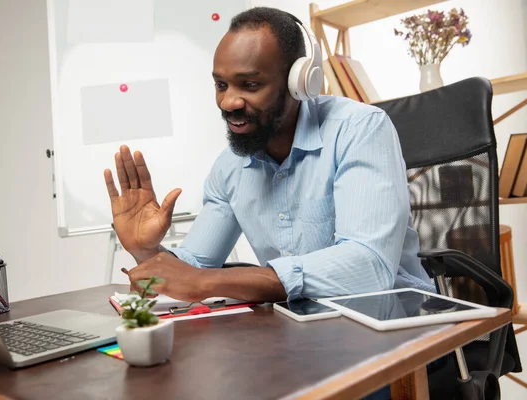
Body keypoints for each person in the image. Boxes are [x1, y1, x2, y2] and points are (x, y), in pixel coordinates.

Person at [103, 7, 434, 305]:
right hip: (300, 334)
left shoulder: (359, 130)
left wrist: (209, 282)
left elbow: (369, 266)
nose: (228, 102)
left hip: (395, 328)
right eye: (221, 85)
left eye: (249, 84)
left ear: (299, 81)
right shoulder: (230, 168)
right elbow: (195, 267)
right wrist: (146, 249)